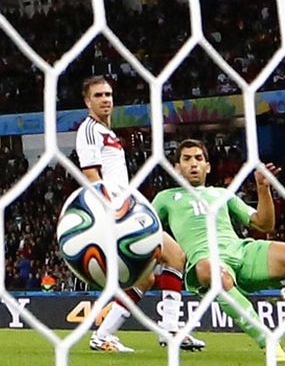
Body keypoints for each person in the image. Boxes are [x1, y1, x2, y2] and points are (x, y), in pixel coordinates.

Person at [152, 139, 285, 362]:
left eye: (199, 158)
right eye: (186, 159)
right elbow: (145, 230)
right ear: (176, 167)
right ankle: (267, 340)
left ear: (208, 166)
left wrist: (263, 189)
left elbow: (264, 225)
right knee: (211, 271)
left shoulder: (222, 194)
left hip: (241, 252)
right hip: (207, 262)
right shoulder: (165, 198)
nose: (193, 164)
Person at [75, 76, 205, 353]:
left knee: (146, 277)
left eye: (108, 94)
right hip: (117, 212)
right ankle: (170, 329)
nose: (105, 99)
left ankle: (104, 335)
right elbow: (90, 175)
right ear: (87, 101)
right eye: (98, 95)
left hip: (126, 207)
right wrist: (112, 211)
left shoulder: (107, 132)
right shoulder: (89, 130)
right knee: (175, 256)